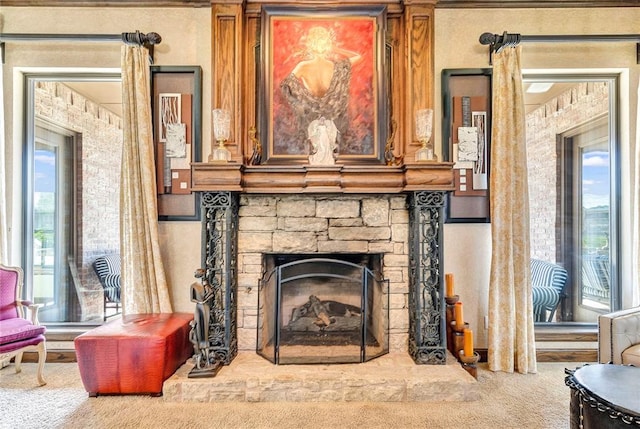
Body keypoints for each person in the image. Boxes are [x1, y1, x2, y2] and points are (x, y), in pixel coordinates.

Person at [279, 26, 363, 162]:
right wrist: (335, 49)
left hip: (311, 118)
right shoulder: (336, 67)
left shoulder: (303, 66)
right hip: (331, 116)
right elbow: (358, 57)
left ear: (310, 45)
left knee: (320, 152)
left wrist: (304, 101)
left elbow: (286, 86)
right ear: (327, 45)